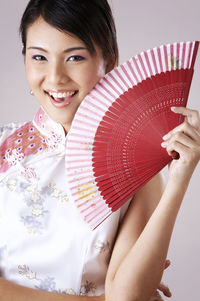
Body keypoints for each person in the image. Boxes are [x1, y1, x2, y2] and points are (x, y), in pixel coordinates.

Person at [0, 0, 199, 300]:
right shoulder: (3, 147)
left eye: (75, 57)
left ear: (110, 59)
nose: (55, 77)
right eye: (39, 57)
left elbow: (126, 296)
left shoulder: (138, 167)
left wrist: (180, 177)